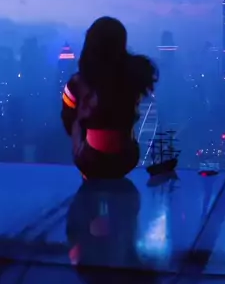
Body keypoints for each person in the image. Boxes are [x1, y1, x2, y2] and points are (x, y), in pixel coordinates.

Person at [61, 16, 158, 179]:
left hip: (87, 159)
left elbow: (67, 121)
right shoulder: (132, 79)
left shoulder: (76, 84)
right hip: (127, 158)